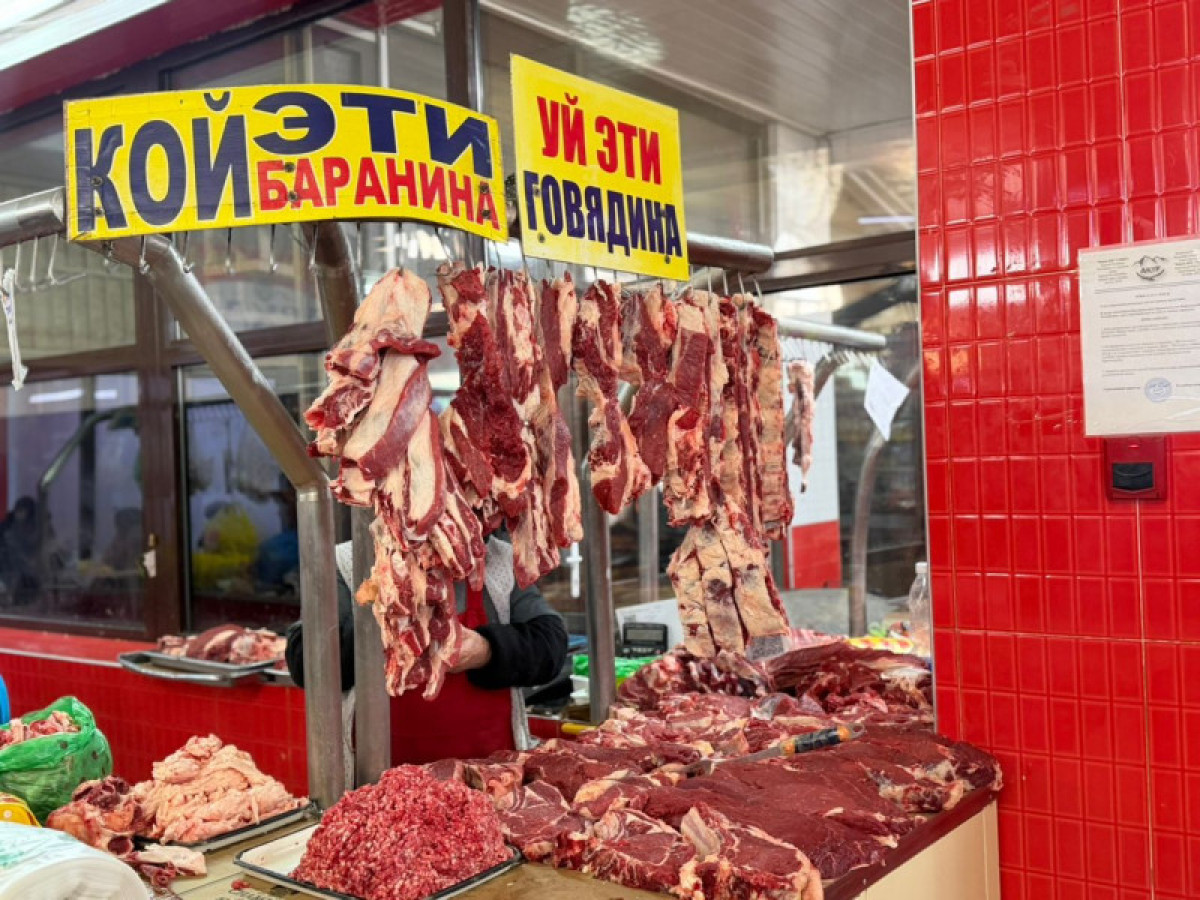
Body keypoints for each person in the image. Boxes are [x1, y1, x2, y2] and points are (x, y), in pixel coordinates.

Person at [285, 532, 568, 763]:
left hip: (489, 776)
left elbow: (550, 646)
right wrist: (387, 618)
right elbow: (305, 664)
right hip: (385, 783)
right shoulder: (348, 562)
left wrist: (486, 650)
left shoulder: (497, 561)